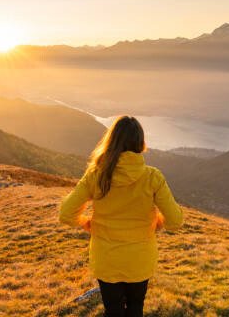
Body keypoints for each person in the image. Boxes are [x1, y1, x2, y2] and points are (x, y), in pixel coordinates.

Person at [59, 116, 183, 317]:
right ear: (140, 143)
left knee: (113, 311)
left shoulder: (96, 175)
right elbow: (176, 221)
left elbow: (65, 214)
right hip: (139, 261)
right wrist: (156, 223)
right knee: (135, 309)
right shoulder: (153, 177)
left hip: (107, 260)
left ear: (111, 141)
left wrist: (86, 223)